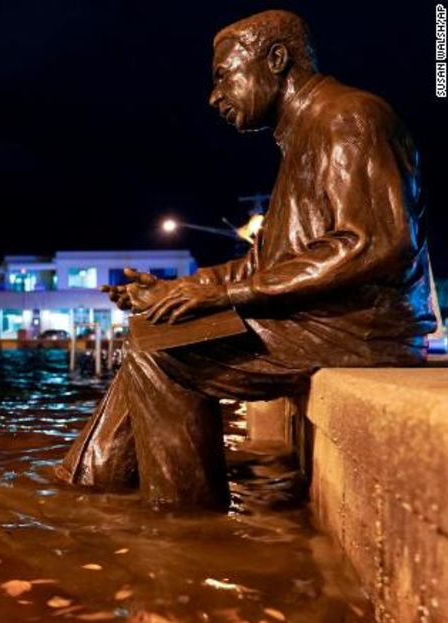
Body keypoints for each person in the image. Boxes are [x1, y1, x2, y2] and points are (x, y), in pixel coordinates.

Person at [56, 10, 436, 508]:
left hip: (359, 326)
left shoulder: (348, 117)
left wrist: (223, 293)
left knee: (164, 354)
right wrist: (176, 289)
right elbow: (266, 263)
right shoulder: (304, 135)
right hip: (327, 319)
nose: (214, 97)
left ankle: (184, 520)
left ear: (276, 60)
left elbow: (370, 244)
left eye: (222, 76)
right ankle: (90, 484)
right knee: (154, 331)